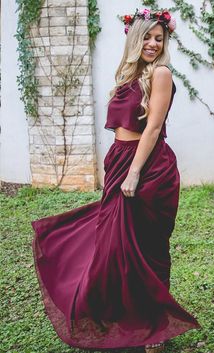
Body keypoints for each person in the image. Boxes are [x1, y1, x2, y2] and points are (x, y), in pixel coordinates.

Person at [31, 7, 201, 353]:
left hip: (149, 167)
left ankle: (155, 329)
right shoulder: (128, 75)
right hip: (121, 161)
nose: (153, 44)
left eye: (159, 38)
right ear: (134, 37)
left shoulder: (161, 73)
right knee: (114, 241)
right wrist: (120, 168)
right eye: (148, 37)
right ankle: (123, 312)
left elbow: (152, 127)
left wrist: (135, 172)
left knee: (147, 248)